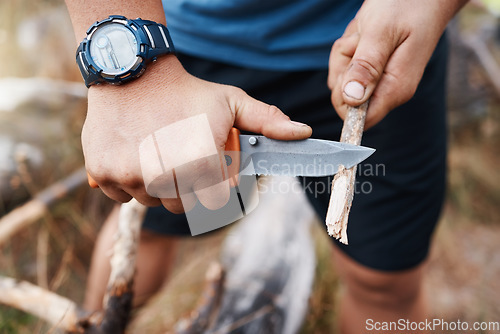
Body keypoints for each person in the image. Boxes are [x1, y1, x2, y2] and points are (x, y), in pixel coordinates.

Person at [64, 0, 468, 333]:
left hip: (376, 47)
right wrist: (130, 73)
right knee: (148, 231)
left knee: (383, 281)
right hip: (183, 62)